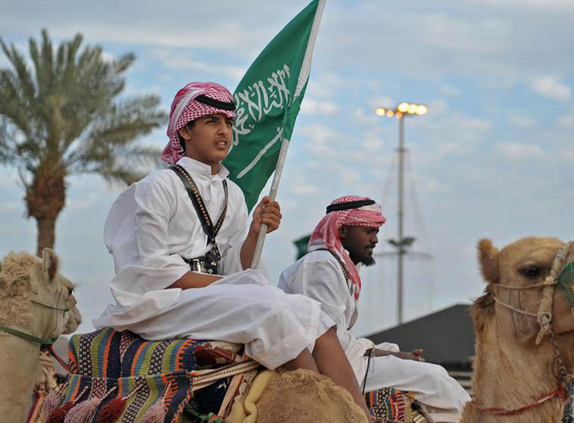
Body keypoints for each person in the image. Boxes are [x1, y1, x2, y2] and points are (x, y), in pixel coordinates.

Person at [93, 82, 371, 417]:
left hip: (215, 297)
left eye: (228, 123)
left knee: (316, 317)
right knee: (269, 306)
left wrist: (254, 233)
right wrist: (233, 286)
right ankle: (321, 412)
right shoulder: (157, 187)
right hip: (162, 304)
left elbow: (237, 266)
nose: (224, 131)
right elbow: (151, 272)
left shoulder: (232, 194)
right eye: (212, 122)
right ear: (185, 131)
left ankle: (358, 416)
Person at [278, 195, 471, 421]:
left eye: (377, 232)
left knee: (405, 357)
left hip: (349, 359)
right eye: (368, 231)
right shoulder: (321, 264)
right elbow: (325, 342)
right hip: (331, 367)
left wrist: (394, 355)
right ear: (342, 230)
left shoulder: (338, 266)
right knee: (435, 379)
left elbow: (340, 338)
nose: (375, 239)